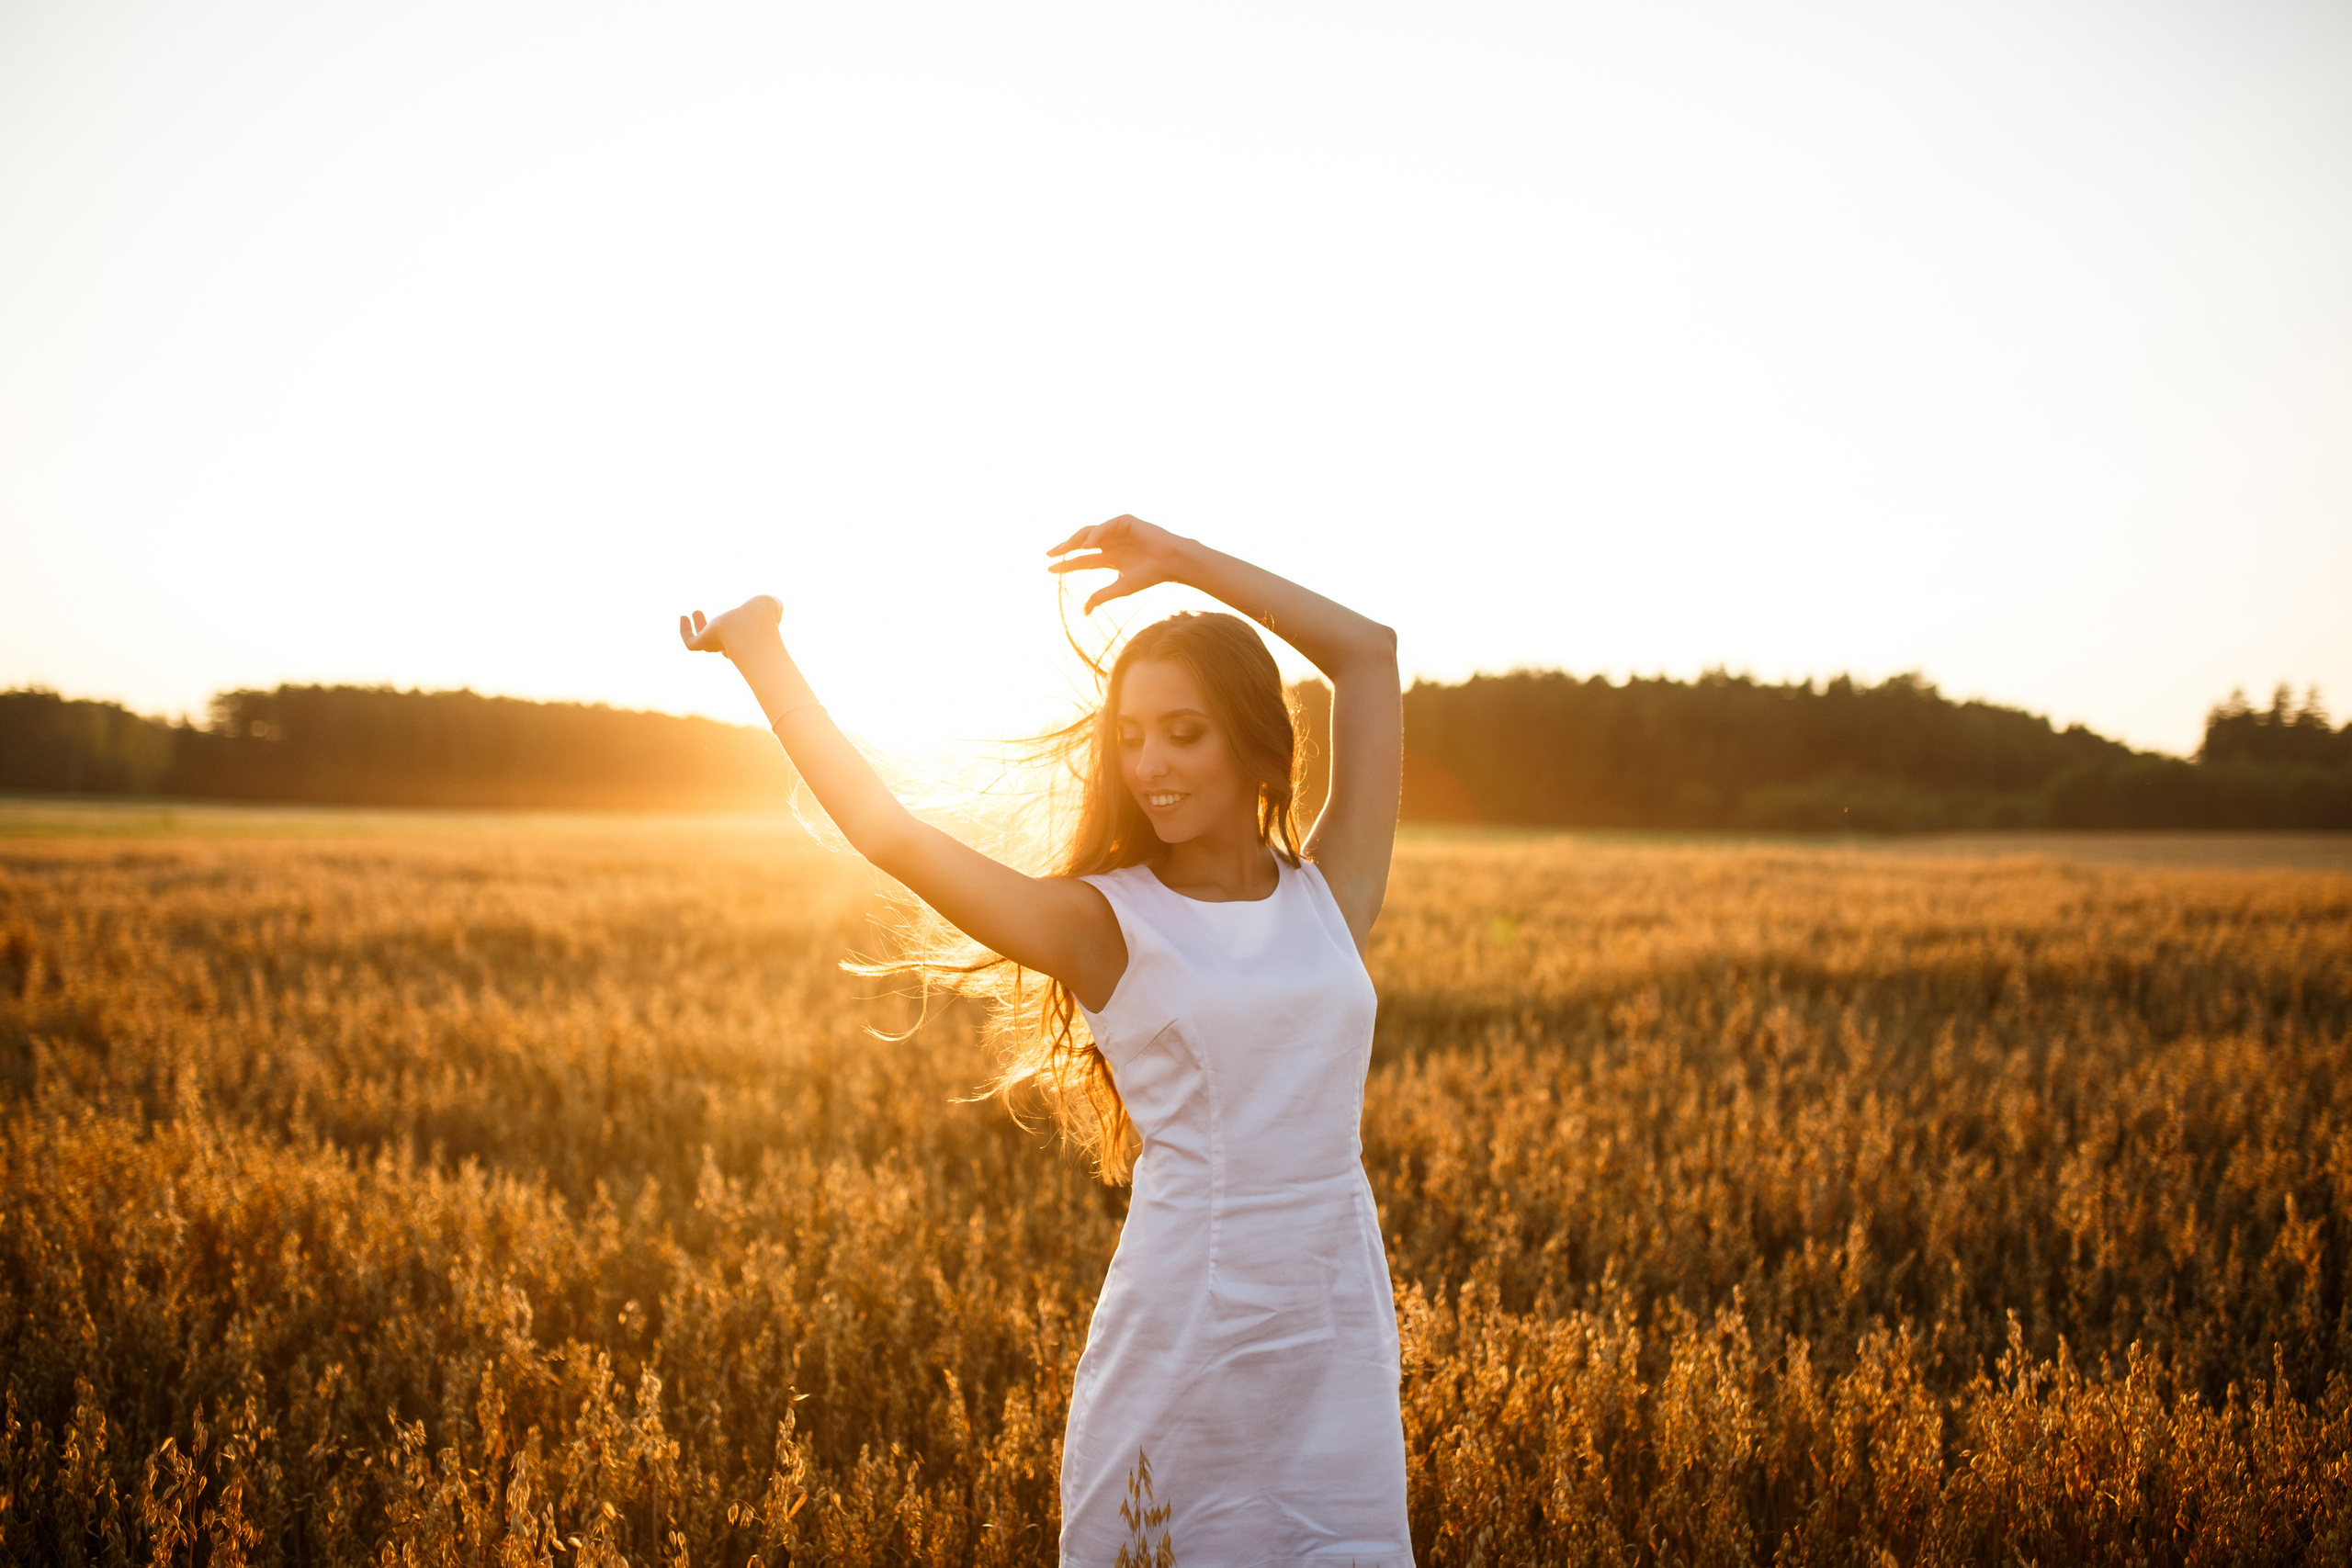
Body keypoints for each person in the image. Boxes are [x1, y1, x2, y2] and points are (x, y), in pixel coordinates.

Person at [681, 514, 1410, 1564]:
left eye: (1184, 731)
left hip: (1334, 1320)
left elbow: (1367, 655)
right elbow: (890, 833)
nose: (1150, 763)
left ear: (1257, 740)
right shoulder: (1103, 923)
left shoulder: (1328, 891)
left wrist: (1184, 561)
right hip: (1189, 1334)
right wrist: (761, 651)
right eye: (1130, 735)